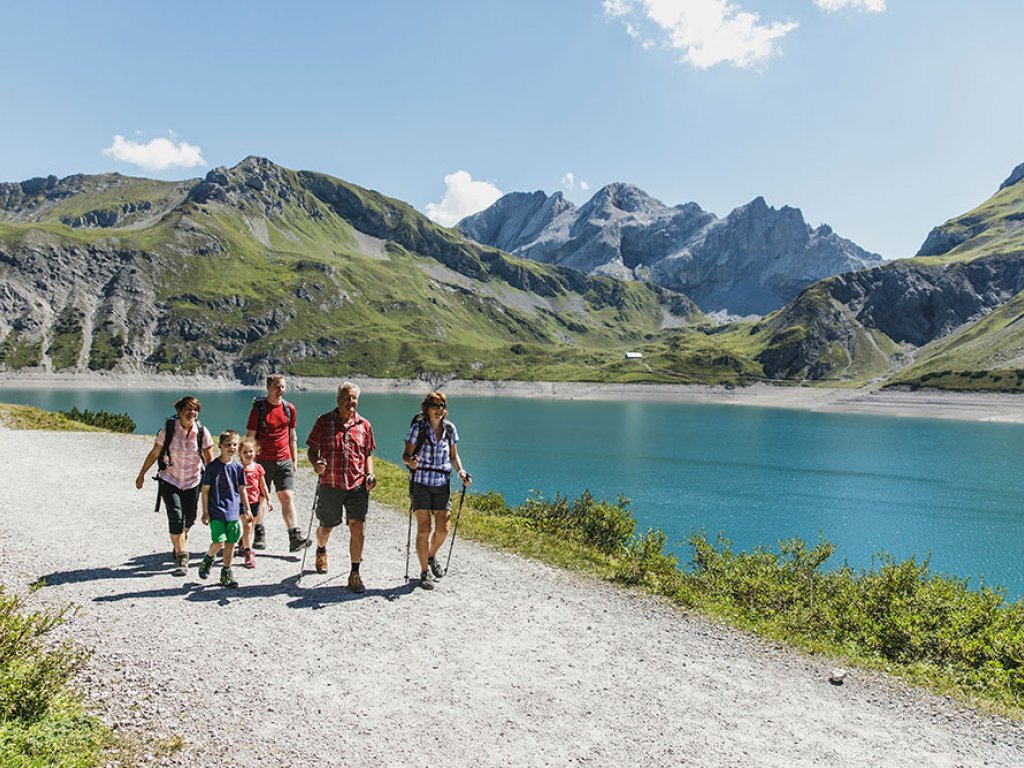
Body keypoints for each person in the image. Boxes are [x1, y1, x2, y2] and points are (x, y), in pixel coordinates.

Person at [306, 381, 376, 593]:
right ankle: (321, 549)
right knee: (326, 526)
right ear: (338, 399)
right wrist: (315, 463)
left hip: (356, 484)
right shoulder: (324, 421)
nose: (350, 402)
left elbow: (368, 454)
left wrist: (370, 474)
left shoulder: (364, 425)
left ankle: (354, 573)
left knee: (357, 526)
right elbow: (312, 449)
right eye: (346, 398)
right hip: (331, 483)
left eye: (353, 398)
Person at [136, 396, 215, 577]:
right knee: (176, 516)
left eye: (195, 409)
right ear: (179, 411)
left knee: (190, 518)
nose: (192, 413)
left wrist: (216, 484)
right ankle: (181, 555)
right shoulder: (168, 430)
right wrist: (141, 475)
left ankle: (181, 536)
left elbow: (210, 461)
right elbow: (155, 453)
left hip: (193, 480)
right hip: (170, 479)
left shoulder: (202, 432)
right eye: (187, 409)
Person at [402, 391, 471, 590]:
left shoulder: (450, 429)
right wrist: (411, 462)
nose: (439, 409)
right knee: (424, 529)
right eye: (434, 405)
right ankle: (424, 572)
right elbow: (406, 455)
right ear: (427, 408)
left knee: (443, 529)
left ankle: (431, 556)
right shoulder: (419, 428)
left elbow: (454, 455)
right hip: (421, 482)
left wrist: (461, 472)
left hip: (442, 483)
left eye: (441, 405)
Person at [245, 374, 310, 552]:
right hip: (262, 461)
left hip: (284, 460)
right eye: (277, 387)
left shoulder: (290, 409)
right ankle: (259, 531)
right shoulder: (259, 409)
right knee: (261, 498)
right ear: (268, 387)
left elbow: (292, 437)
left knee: (287, 497)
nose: (280, 390)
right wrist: (248, 462)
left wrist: (294, 460)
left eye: (282, 387)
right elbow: (250, 436)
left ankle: (294, 536)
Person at [197, 430, 252, 589]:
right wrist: (205, 512)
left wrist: (247, 509)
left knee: (231, 543)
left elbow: (242, 489)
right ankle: (209, 558)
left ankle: (226, 572)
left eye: (235, 445)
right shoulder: (212, 467)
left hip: (233, 513)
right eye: (228, 444)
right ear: (220, 446)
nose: (231, 448)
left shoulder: (238, 467)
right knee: (218, 542)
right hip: (216, 512)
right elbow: (205, 490)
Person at [236, 436, 272, 569]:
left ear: (256, 451)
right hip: (241, 503)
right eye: (245, 452)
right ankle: (248, 553)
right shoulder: (238, 469)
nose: (248, 454)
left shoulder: (258, 468)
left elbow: (263, 485)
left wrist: (268, 500)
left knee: (250, 526)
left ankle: (243, 543)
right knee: (247, 526)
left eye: (250, 451)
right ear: (240, 454)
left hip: (255, 501)